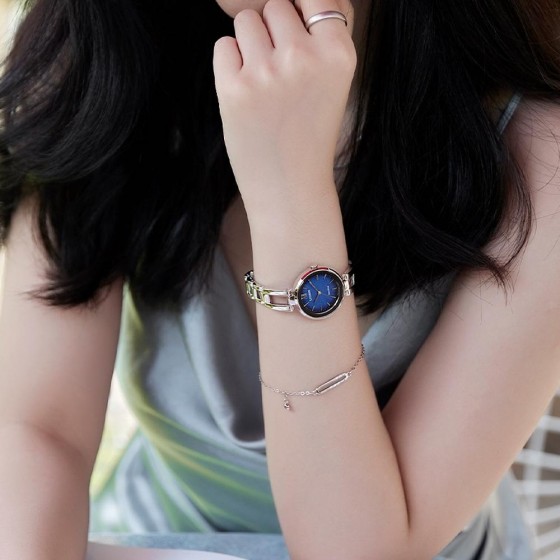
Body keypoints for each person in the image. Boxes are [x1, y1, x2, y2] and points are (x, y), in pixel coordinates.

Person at [1, 0, 560, 557]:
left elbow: (358, 551)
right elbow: (39, 429)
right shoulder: (104, 45)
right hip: (158, 536)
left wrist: (290, 190)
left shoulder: (542, 146)